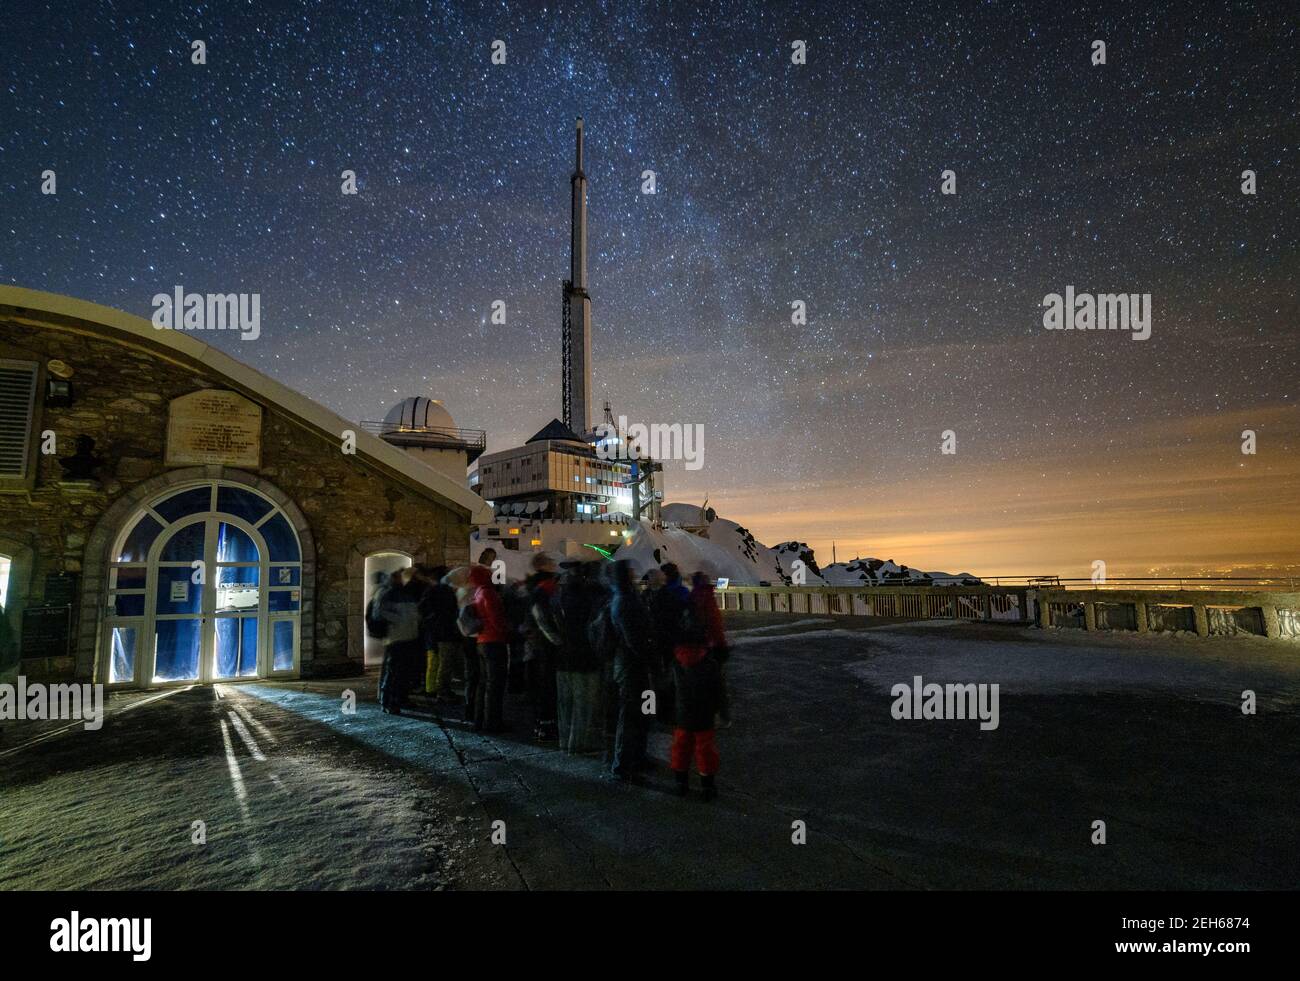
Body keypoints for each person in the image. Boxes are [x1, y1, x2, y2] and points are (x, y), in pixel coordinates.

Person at [670, 575, 728, 800]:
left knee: (680, 746)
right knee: (705, 748)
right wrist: (724, 712)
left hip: (682, 713)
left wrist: (665, 711)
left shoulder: (676, 662)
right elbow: (719, 689)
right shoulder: (709, 663)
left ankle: (680, 783)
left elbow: (669, 687)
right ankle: (707, 786)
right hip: (704, 714)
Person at [603, 559, 655, 779]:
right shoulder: (624, 601)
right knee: (631, 715)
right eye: (630, 570)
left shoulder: (626, 597)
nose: (634, 572)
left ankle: (638, 756)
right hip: (631, 666)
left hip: (634, 664)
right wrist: (649, 652)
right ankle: (622, 764)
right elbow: (633, 637)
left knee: (644, 710)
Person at [548, 561, 605, 754]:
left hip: (563, 656)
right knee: (584, 704)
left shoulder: (557, 598)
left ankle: (565, 742)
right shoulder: (589, 598)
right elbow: (595, 628)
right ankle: (580, 744)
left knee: (565, 703)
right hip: (585, 657)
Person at [365, 569, 423, 714]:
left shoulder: (403, 592)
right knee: (393, 672)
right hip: (396, 638)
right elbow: (379, 612)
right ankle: (388, 702)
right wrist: (401, 619)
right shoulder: (388, 593)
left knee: (404, 671)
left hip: (407, 636)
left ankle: (401, 698)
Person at [467, 563, 510, 732]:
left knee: (484, 683)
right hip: (494, 641)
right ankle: (492, 723)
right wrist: (507, 632)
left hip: (482, 641)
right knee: (495, 685)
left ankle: (480, 720)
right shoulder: (488, 593)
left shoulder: (477, 592)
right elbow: (496, 619)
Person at [523, 553, 560, 741]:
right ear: (543, 565)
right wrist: (557, 639)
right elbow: (544, 618)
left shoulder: (532, 585)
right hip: (545, 644)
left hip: (536, 642)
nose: (554, 564)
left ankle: (540, 723)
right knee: (548, 685)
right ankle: (546, 725)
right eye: (551, 562)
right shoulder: (545, 587)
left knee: (540, 684)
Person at [647, 563, 690, 720]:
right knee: (671, 679)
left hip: (655, 644)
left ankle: (651, 712)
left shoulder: (646, 596)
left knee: (653, 680)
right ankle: (667, 712)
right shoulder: (675, 595)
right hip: (669, 643)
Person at [418, 564, 461, 701]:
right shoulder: (446, 591)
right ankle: (442, 691)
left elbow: (422, 609)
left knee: (434, 661)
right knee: (445, 663)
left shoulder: (429, 591)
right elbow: (453, 611)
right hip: (445, 631)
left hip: (432, 631)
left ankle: (431, 689)